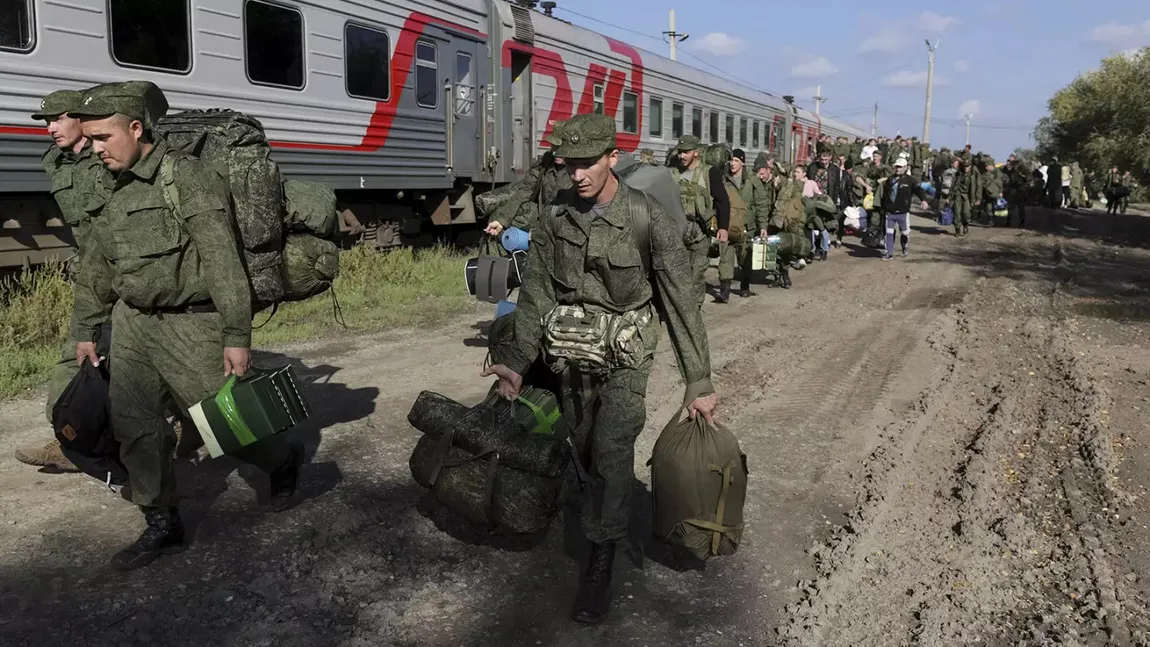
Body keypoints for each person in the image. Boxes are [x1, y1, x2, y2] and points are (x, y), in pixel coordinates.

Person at [481, 113, 718, 625]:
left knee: (612, 447)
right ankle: (598, 507)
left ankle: (600, 560)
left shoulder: (647, 217)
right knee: (584, 444)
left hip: (626, 357)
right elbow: (536, 293)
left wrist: (697, 382)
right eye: (570, 165)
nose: (579, 175)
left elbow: (680, 301)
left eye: (589, 163)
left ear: (613, 157)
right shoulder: (555, 218)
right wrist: (518, 363)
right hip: (571, 352)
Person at [69, 81, 303, 571]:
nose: (95, 149)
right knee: (136, 427)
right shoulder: (107, 184)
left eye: (103, 137)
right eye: (89, 139)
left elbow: (222, 261)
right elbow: (95, 263)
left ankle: (283, 458)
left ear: (136, 128)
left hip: (191, 324)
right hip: (131, 323)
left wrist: (237, 335)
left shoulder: (186, 175)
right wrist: (86, 326)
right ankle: (162, 521)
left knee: (231, 423)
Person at [13, 89, 106, 472]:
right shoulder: (57, 161)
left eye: (58, 119)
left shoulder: (109, 155)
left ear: (82, 118)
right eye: (46, 122)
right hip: (95, 270)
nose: (50, 128)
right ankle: (67, 439)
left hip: (128, 267)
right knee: (79, 351)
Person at [672, 134, 730, 306]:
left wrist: (723, 227)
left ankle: (694, 309)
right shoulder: (673, 171)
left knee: (696, 274)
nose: (682, 156)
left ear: (696, 152)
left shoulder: (709, 172)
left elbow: (722, 201)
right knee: (678, 274)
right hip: (677, 231)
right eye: (680, 152)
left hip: (700, 232)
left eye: (686, 152)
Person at [718, 148, 768, 300]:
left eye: (736, 161)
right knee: (725, 257)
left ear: (743, 162)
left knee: (744, 258)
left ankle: (744, 286)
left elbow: (761, 204)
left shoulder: (752, 181)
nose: (732, 164)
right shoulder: (724, 179)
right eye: (731, 160)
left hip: (747, 227)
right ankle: (724, 290)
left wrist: (763, 226)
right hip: (728, 225)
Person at [880, 158, 931, 260]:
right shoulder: (890, 179)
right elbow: (886, 194)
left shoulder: (910, 180)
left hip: (903, 212)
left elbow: (919, 191)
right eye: (896, 167)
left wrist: (924, 200)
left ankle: (904, 245)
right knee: (889, 233)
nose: (897, 169)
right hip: (890, 212)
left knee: (904, 233)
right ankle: (889, 253)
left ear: (905, 167)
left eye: (899, 167)